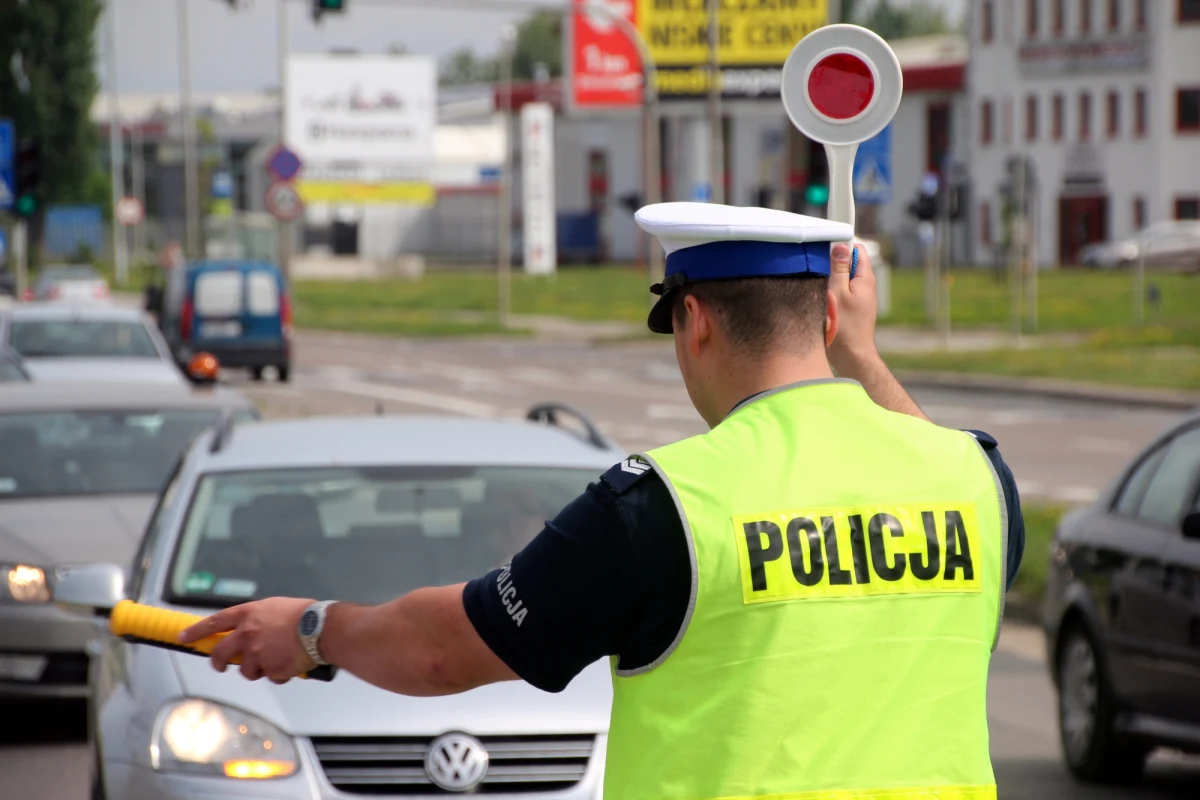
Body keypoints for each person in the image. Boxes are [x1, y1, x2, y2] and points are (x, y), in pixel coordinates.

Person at [182, 202, 1024, 800]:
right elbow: (936, 454)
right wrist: (867, 359)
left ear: (695, 320)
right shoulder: (974, 481)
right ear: (831, 322)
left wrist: (314, 630)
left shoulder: (665, 508)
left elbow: (448, 649)